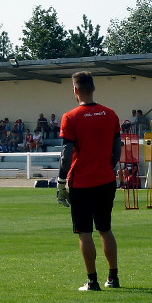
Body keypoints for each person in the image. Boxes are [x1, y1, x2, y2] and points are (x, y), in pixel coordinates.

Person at [57, 71, 122, 291]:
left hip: (81, 182)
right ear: (93, 88)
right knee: (105, 229)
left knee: (84, 231)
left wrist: (60, 182)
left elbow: (66, 156)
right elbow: (117, 149)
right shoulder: (111, 114)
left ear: (75, 90)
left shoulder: (70, 117)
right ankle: (113, 278)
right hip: (106, 180)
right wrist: (108, 167)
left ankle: (92, 281)